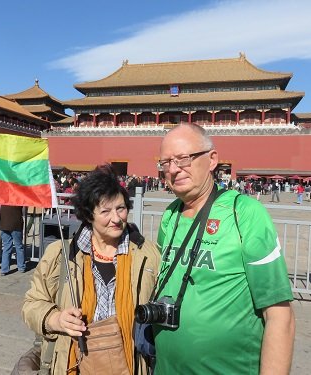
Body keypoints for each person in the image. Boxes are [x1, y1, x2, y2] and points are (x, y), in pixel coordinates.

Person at [154, 124, 295, 374]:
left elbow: (279, 316)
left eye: (183, 159)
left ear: (212, 160)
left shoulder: (245, 214)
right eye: (166, 162)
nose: (174, 169)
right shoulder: (170, 215)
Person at [22, 165, 160, 375]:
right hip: (74, 360)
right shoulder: (61, 254)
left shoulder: (147, 255)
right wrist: (55, 319)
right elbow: (32, 304)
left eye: (121, 208)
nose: (116, 218)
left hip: (131, 363)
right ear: (88, 215)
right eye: (105, 211)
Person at [0, 205, 26, 275]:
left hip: (4, 224)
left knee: (6, 247)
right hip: (16, 224)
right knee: (19, 246)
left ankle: (4, 269)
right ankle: (21, 267)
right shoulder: (18, 198)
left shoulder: (3, 198)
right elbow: (24, 211)